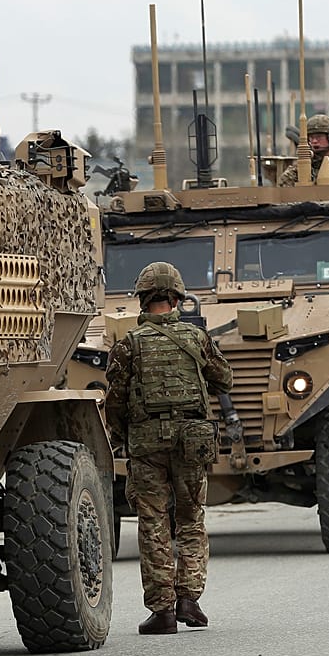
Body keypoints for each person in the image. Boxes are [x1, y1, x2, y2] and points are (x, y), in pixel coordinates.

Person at [103, 262, 232, 634]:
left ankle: (163, 612)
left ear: (143, 300)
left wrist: (121, 436)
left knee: (153, 523)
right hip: (191, 442)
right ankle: (190, 600)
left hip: (146, 445)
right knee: (191, 519)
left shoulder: (128, 344)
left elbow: (115, 400)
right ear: (177, 297)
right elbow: (225, 380)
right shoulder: (197, 338)